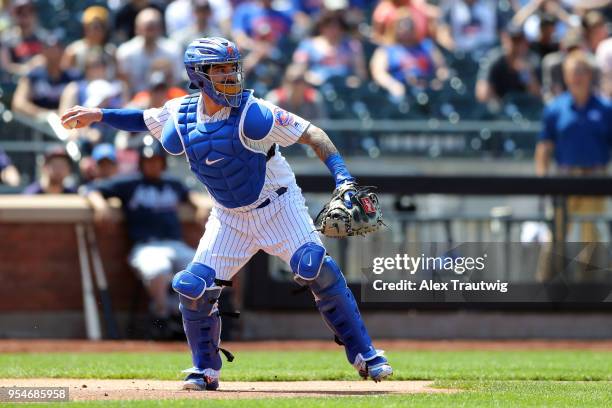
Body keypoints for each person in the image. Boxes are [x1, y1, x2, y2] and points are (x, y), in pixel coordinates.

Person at [61, 36, 392, 390]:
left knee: (316, 267)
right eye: (220, 70)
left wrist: (343, 178)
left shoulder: (255, 113)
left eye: (232, 68)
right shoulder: (180, 114)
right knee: (191, 287)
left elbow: (315, 135)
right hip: (229, 216)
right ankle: (204, 369)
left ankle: (365, 354)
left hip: (278, 205)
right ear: (198, 74)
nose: (230, 77)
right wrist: (99, 115)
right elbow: (142, 119)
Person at [85, 141, 209, 336]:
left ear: (163, 163)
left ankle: (189, 319)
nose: (153, 165)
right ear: (141, 163)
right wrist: (100, 205)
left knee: (203, 270)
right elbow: (91, 189)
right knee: (158, 269)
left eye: (157, 161)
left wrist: (199, 205)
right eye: (149, 161)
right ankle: (162, 316)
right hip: (145, 246)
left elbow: (189, 194)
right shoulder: (130, 183)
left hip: (175, 244)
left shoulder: (172, 183)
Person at [535, 50, 612, 281]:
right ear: (566, 76)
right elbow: (544, 148)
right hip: (564, 178)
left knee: (591, 236)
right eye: (572, 72)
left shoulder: (606, 109)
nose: (577, 77)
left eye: (581, 71)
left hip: (595, 178)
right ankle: (545, 287)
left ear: (590, 75)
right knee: (556, 233)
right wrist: (540, 180)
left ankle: (589, 292)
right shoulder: (555, 109)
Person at [370, 10, 448, 100]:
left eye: (409, 24)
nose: (406, 28)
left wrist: (440, 81)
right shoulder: (386, 50)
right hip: (402, 91)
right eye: (401, 25)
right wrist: (393, 85)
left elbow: (442, 68)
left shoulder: (425, 45)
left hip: (427, 88)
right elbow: (378, 72)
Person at [116, 7, 183, 95]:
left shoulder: (172, 50)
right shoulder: (125, 52)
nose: (150, 33)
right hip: (137, 100)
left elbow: (177, 80)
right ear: (137, 29)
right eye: (147, 28)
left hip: (166, 98)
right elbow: (125, 85)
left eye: (153, 27)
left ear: (161, 28)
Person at [11, 35, 79, 120]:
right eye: (49, 49)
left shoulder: (72, 78)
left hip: (64, 124)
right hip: (37, 125)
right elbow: (18, 104)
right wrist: (44, 114)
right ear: (43, 51)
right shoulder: (33, 75)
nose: (53, 53)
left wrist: (58, 116)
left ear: (63, 52)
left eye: (57, 49)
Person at [476, 24, 541, 104]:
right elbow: (482, 95)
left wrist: (525, 72)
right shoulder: (494, 60)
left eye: (520, 40)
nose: (517, 45)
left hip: (523, 107)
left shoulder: (531, 60)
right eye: (514, 40)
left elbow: (536, 95)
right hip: (500, 108)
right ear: (505, 40)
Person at [60, 6, 116, 77]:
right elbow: (64, 77)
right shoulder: (73, 51)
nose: (97, 30)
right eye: (94, 27)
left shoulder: (111, 51)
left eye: (102, 26)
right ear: (85, 28)